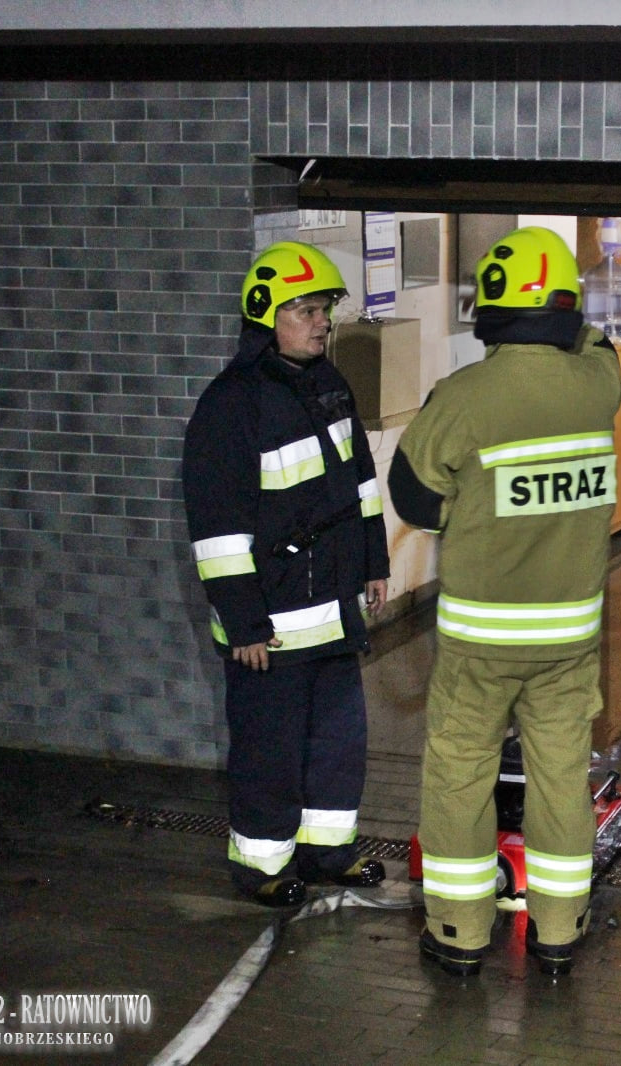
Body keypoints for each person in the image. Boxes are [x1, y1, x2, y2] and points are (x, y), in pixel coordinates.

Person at [388, 226, 621, 977]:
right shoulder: (597, 385)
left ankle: (459, 933)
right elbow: (598, 343)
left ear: (491, 305)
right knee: (560, 779)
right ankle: (559, 929)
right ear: (563, 305)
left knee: (460, 772)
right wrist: (574, 316)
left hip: (480, 643)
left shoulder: (464, 399)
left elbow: (416, 502)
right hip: (569, 642)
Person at [182, 240, 390, 907]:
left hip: (330, 613)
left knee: (338, 745)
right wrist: (243, 622)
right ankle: (262, 866)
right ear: (265, 316)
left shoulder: (328, 383)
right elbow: (216, 531)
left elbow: (361, 484)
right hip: (268, 629)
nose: (322, 322)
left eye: (324, 308)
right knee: (269, 754)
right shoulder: (230, 406)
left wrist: (375, 564)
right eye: (304, 310)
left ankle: (329, 853)